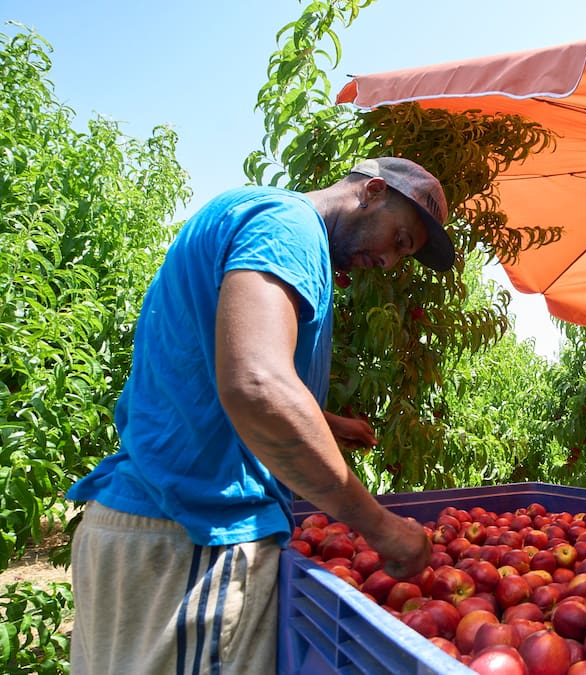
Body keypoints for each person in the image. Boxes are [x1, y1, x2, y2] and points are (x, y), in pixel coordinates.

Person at [65, 157, 452, 674]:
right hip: (194, 539)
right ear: (373, 191)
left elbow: (210, 370)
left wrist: (324, 421)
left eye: (402, 255)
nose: (388, 262)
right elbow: (257, 385)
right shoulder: (289, 227)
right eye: (399, 240)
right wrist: (382, 528)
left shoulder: (254, 213)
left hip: (142, 523)